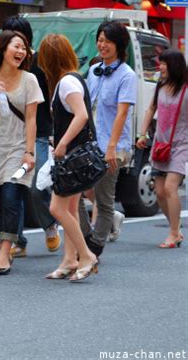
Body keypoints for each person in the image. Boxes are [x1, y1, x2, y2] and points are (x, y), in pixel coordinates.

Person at [0, 30, 43, 275]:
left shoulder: (29, 80)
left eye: (24, 48)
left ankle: (5, 251)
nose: (21, 52)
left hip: (17, 148)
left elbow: (32, 118)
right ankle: (1, 241)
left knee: (12, 198)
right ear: (3, 49)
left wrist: (30, 151)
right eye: (17, 46)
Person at [38, 34, 99, 282]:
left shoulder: (66, 82)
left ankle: (86, 255)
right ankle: (69, 259)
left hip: (72, 156)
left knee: (56, 208)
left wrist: (62, 142)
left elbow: (82, 115)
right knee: (70, 208)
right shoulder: (72, 79)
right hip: (75, 155)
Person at [2, 16, 60, 257]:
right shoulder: (3, 64)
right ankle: (18, 242)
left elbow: (54, 98)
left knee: (36, 187)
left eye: (18, 38)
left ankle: (49, 225)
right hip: (12, 135)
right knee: (14, 188)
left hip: (41, 133)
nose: (13, 44)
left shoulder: (40, 62)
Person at [78, 21, 136, 258]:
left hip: (114, 146)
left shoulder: (127, 75)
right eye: (100, 40)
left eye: (107, 41)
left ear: (119, 45)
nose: (102, 45)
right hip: (91, 144)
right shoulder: (93, 71)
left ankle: (95, 247)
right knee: (75, 193)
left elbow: (122, 113)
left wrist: (111, 147)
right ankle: (84, 238)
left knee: (103, 199)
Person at [136, 49, 187, 248]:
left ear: (174, 66)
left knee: (169, 187)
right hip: (160, 144)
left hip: (182, 144)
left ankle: (174, 233)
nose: (161, 67)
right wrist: (143, 133)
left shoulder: (186, 89)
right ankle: (175, 227)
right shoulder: (160, 86)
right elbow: (151, 109)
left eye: (164, 63)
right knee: (158, 191)